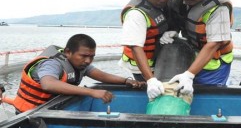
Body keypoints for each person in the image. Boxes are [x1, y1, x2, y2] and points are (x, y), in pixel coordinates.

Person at [13, 34, 144, 113]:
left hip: (50, 108)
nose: (88, 60)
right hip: (29, 112)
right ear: (68, 52)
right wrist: (92, 92)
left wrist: (126, 81)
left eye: (92, 56)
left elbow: (101, 75)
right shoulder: (52, 64)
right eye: (84, 56)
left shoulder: (80, 64)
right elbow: (49, 84)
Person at [163, 0, 234, 94]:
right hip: (194, 53)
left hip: (215, 61)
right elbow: (180, 16)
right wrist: (174, 30)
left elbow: (214, 44)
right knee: (184, 91)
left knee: (207, 94)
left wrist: (189, 74)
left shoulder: (219, 8)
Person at [119, 0, 175, 100]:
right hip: (140, 65)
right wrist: (150, 80)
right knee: (154, 93)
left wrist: (171, 31)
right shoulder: (135, 15)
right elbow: (135, 47)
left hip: (157, 58)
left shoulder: (163, 3)